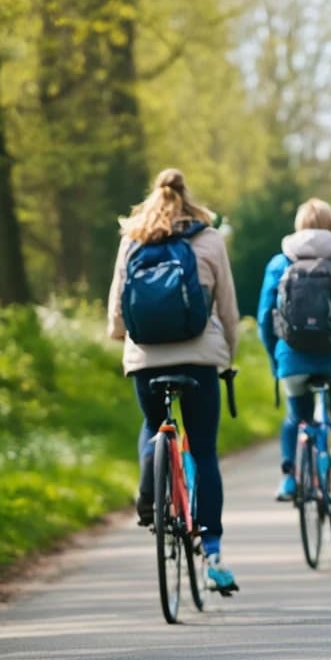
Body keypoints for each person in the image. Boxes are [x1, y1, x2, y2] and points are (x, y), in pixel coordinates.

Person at [108, 168, 240, 595]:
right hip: (200, 357)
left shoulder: (133, 238)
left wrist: (121, 337)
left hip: (145, 357)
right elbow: (227, 308)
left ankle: (149, 498)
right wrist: (228, 355)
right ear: (188, 199)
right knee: (202, 450)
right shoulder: (208, 238)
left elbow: (116, 309)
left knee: (153, 426)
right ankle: (214, 550)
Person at [258, 198, 331, 551]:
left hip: (292, 359)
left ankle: (290, 480)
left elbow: (266, 318)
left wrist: (275, 359)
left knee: (296, 416)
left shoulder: (280, 262)